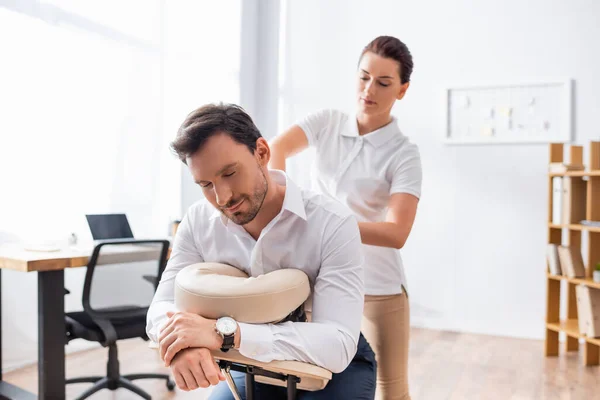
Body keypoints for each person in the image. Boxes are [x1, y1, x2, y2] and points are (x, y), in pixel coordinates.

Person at [146, 103, 376, 399]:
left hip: (331, 365)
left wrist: (225, 333)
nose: (222, 197)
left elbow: (337, 344)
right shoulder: (198, 221)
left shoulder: (332, 223)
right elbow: (161, 307)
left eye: (229, 173)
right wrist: (180, 343)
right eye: (205, 184)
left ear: (262, 153)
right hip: (248, 361)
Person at [269, 36, 422, 400]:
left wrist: (329, 224)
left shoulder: (404, 154)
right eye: (364, 76)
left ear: (402, 90)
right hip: (319, 279)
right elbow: (275, 149)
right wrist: (284, 197)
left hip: (378, 287)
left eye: (384, 83)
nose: (369, 89)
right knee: (311, 376)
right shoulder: (327, 122)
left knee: (392, 389)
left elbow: (397, 232)